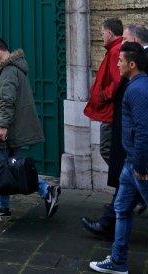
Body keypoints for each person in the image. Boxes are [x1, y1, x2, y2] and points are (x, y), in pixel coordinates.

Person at [0, 38, 61, 221]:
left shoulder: (8, 71)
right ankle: (4, 206)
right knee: (7, 166)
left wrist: (2, 126)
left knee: (5, 167)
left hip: (10, 130)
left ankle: (45, 190)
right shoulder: (15, 68)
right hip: (14, 128)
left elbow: (7, 101)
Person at [81, 24, 148, 238]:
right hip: (131, 144)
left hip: (133, 142)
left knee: (127, 186)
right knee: (123, 195)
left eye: (126, 39)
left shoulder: (138, 70)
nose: (122, 44)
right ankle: (116, 251)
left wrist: (102, 97)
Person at [84, 18, 123, 165]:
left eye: (102, 33)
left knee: (106, 149)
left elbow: (117, 80)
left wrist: (103, 95)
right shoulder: (114, 50)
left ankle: (125, 182)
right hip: (110, 110)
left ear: (110, 33)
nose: (101, 36)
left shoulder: (115, 51)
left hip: (110, 111)